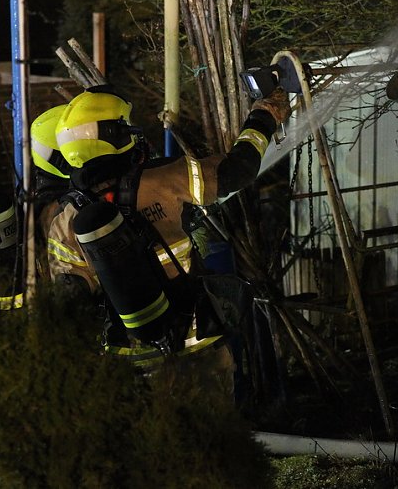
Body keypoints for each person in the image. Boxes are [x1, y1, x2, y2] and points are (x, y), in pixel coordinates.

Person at [45, 85, 291, 392]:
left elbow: (70, 301)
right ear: (114, 134)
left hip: (127, 363)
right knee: (213, 421)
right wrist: (264, 117)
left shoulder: (63, 221)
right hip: (195, 344)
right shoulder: (166, 177)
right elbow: (238, 170)